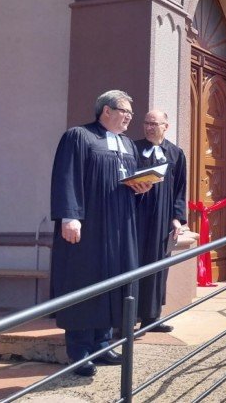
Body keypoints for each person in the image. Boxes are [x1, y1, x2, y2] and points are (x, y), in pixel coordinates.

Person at [50, 90, 153, 376]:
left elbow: (128, 185)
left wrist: (141, 189)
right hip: (90, 226)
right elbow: (66, 176)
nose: (130, 118)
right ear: (106, 110)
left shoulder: (128, 145)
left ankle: (103, 343)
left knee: (115, 281)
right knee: (85, 280)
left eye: (132, 114)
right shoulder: (79, 137)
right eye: (125, 112)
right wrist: (70, 216)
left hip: (121, 227)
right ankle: (80, 352)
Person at [134, 110, 188, 333]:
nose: (149, 127)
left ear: (166, 126)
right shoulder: (133, 149)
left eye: (154, 124)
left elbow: (180, 189)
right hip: (135, 216)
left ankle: (152, 317)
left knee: (158, 266)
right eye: (146, 123)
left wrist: (177, 218)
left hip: (162, 220)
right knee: (134, 264)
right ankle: (127, 319)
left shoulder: (176, 153)